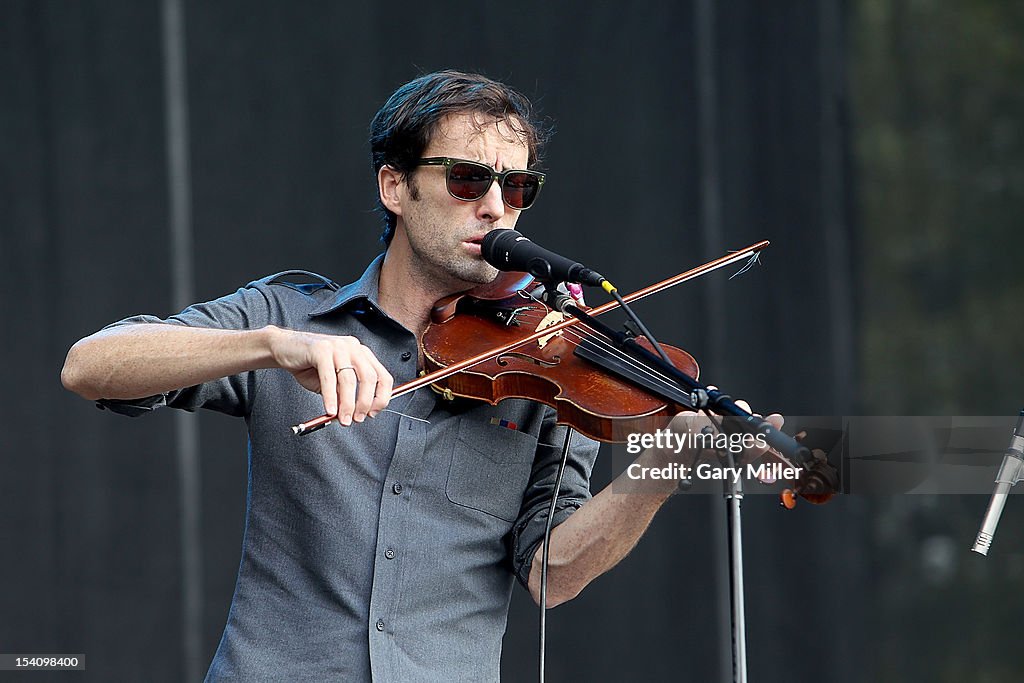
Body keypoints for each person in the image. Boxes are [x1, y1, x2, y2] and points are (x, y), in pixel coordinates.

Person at [61, 70, 778, 681]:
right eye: (467, 178)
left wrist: (662, 468)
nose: (495, 205)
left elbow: (552, 571)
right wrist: (272, 347)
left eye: (517, 186)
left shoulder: (551, 363)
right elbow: (91, 365)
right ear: (394, 186)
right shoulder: (289, 317)